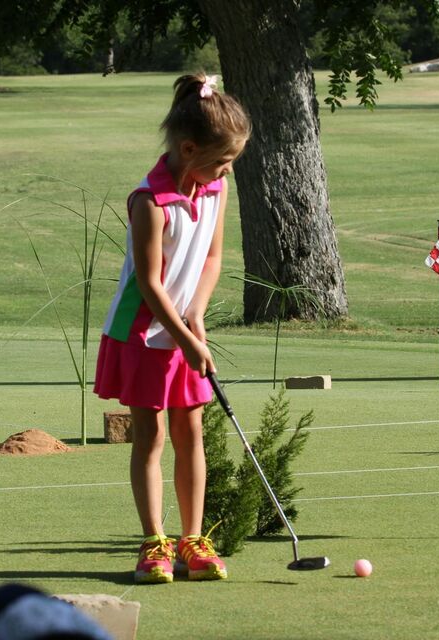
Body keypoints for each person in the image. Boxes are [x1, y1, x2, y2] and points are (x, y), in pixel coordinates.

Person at [93, 73, 251, 584]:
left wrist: (198, 315)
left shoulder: (215, 189)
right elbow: (150, 282)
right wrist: (184, 337)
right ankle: (154, 543)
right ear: (188, 148)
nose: (227, 170)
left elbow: (212, 257)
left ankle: (193, 541)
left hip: (184, 325)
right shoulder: (149, 201)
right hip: (142, 332)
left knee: (191, 432)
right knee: (151, 435)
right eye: (223, 160)